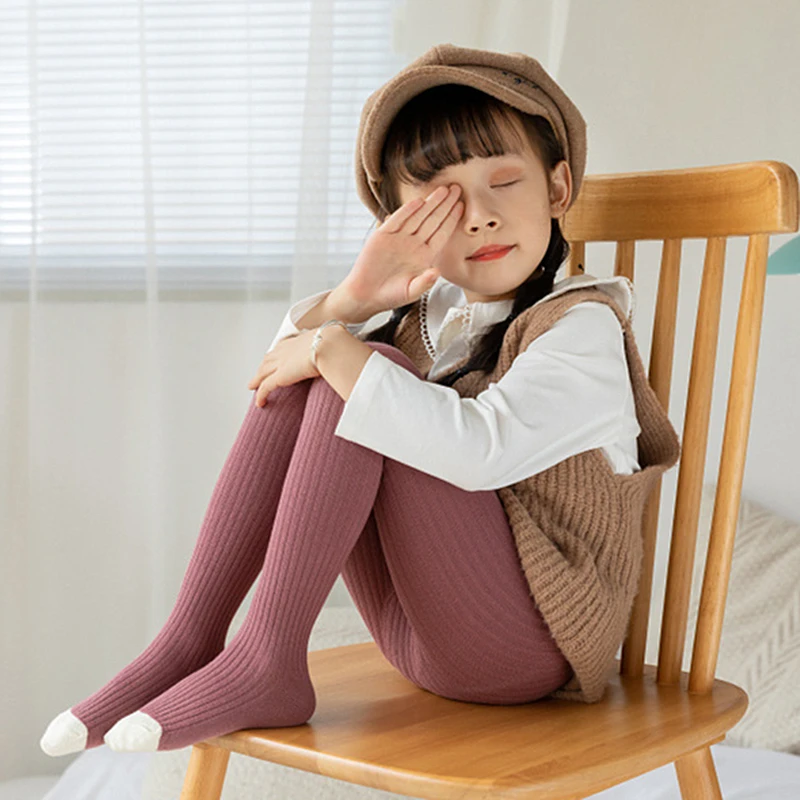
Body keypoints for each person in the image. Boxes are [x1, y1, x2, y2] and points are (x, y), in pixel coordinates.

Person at [41, 43, 680, 756]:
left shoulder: (581, 325)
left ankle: (267, 655)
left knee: (362, 368)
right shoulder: (426, 317)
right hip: (417, 639)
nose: (480, 217)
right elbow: (278, 382)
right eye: (442, 204)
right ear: (400, 223)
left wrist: (338, 348)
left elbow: (480, 451)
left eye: (504, 182)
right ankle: (191, 638)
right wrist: (350, 303)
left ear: (558, 188)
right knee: (340, 368)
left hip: (532, 648)